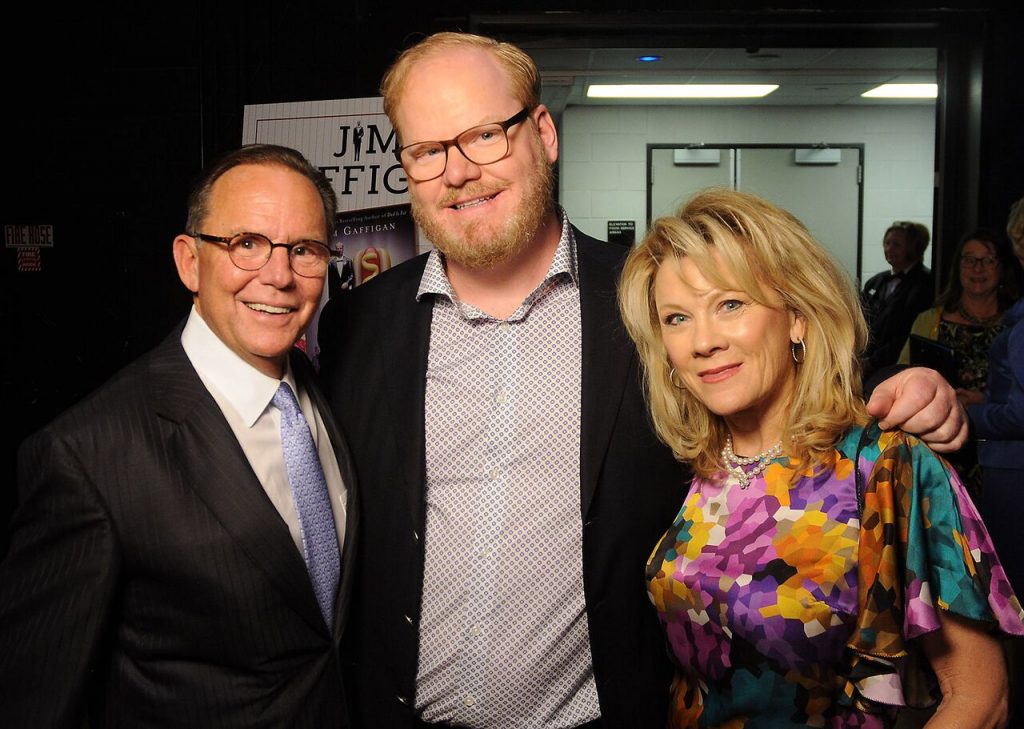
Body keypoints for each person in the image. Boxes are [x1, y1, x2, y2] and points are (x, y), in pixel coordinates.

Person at [318, 31, 969, 729]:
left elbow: (776, 375)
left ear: (543, 133)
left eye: (484, 136)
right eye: (427, 151)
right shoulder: (358, 326)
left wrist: (910, 385)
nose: (458, 171)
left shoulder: (647, 303)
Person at [617, 188, 1024, 728]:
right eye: (676, 318)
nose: (702, 341)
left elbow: (980, 696)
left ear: (798, 316)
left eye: (730, 304)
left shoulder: (884, 468)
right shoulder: (684, 465)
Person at [0, 144, 358, 728]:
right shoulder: (88, 456)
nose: (279, 276)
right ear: (189, 261)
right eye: (246, 244)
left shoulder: (326, 392)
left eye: (304, 250)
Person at [899, 228, 1019, 406]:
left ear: (1002, 268)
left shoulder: (1017, 326)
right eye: (969, 260)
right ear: (958, 267)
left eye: (988, 260)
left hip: (1001, 422)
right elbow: (902, 376)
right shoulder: (929, 321)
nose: (978, 268)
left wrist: (988, 401)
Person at [860, 221, 934, 377]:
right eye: (887, 243)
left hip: (897, 369)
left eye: (897, 245)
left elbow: (907, 334)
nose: (889, 249)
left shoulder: (926, 284)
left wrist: (873, 362)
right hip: (864, 363)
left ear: (914, 248)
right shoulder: (875, 281)